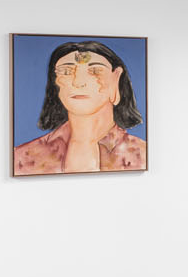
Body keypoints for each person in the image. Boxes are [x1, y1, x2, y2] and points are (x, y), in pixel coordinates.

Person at [12, 39, 147, 175]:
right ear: (55, 83)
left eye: (95, 71)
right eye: (66, 71)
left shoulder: (143, 156)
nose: (78, 82)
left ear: (116, 78)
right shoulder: (21, 158)